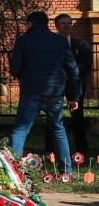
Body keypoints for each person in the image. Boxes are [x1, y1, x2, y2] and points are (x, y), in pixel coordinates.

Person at [10, 11, 80, 174]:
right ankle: (66, 171)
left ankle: (13, 171)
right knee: (58, 129)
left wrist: (25, 75)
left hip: (31, 92)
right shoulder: (60, 41)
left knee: (20, 130)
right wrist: (73, 96)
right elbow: (73, 71)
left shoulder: (23, 40)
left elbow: (15, 69)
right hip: (55, 93)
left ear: (30, 24)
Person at [44, 13, 93, 156]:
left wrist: (72, 75)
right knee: (52, 117)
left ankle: (82, 151)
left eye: (69, 23)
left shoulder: (81, 44)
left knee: (78, 118)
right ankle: (50, 151)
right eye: (63, 23)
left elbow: (87, 65)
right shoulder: (50, 44)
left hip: (75, 86)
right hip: (55, 85)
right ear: (56, 26)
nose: (67, 26)